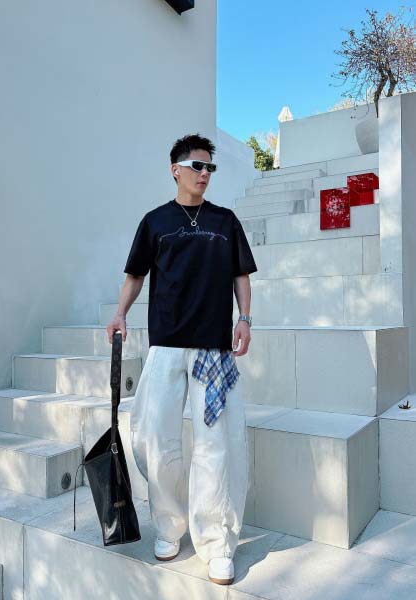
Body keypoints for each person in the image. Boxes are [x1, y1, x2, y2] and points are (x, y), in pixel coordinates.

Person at [106, 133, 257, 586]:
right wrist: (120, 313)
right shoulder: (155, 221)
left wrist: (245, 318)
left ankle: (216, 543)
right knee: (156, 440)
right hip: (165, 346)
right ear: (176, 169)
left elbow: (241, 274)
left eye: (210, 167)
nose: (205, 173)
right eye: (197, 166)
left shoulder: (225, 221)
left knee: (217, 445)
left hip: (214, 351)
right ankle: (169, 526)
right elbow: (135, 275)